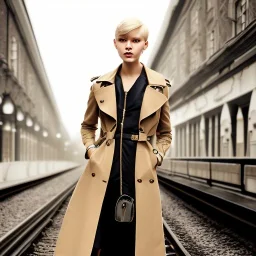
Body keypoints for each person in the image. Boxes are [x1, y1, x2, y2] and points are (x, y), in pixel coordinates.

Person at [54, 17, 172, 256]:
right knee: (101, 232)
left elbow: (165, 132)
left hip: (140, 166)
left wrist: (156, 156)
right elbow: (87, 126)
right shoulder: (100, 85)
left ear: (145, 45)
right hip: (104, 166)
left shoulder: (159, 86)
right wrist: (92, 151)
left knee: (135, 234)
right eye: (123, 40)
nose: (129, 46)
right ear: (115, 44)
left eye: (135, 40)